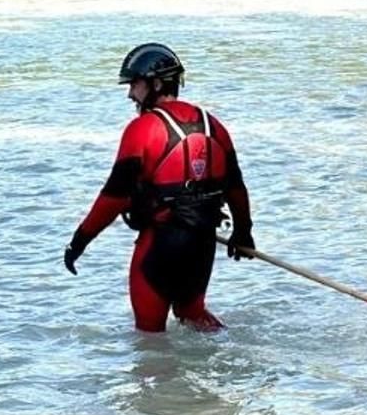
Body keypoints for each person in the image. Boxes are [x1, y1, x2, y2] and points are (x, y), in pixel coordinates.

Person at [64, 43, 254, 332]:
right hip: (201, 245)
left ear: (155, 84)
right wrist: (243, 232)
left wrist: (79, 242)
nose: (130, 94)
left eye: (134, 84)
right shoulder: (214, 126)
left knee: (149, 338)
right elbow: (236, 189)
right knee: (193, 315)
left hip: (159, 247)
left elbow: (113, 198)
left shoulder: (142, 129)